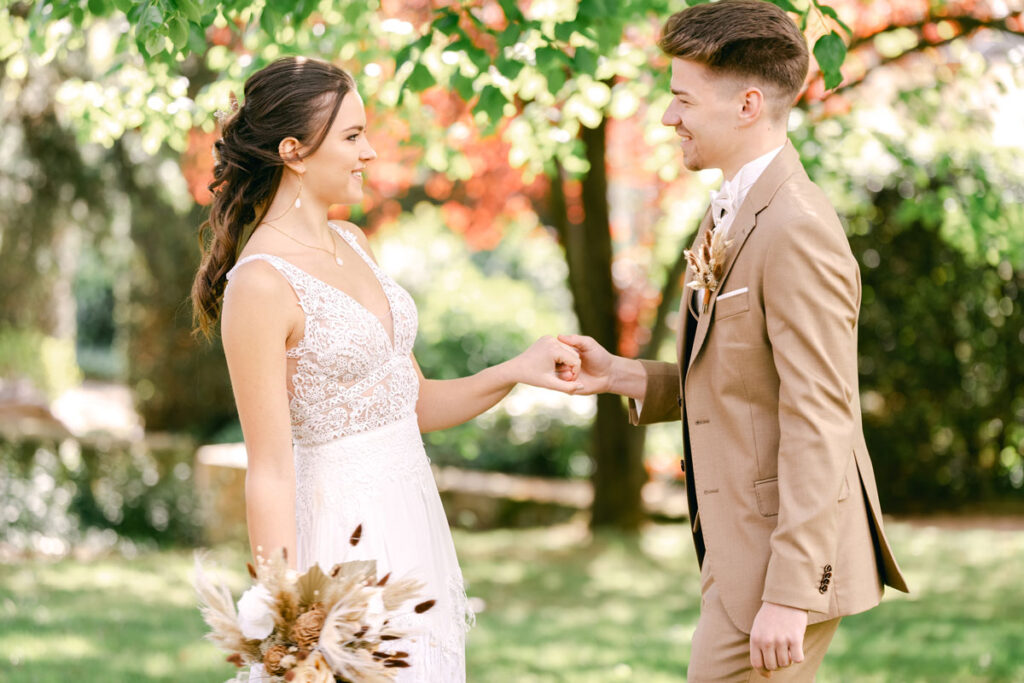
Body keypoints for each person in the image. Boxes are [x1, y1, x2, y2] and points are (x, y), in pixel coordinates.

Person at [190, 57, 582, 682]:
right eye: (351, 136)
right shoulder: (259, 285)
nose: (369, 152)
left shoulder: (355, 244)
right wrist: (290, 620)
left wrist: (518, 368)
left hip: (414, 524)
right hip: (339, 544)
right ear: (293, 151)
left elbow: (414, 403)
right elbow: (267, 471)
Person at [559, 2, 908, 680]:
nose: (668, 117)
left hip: (781, 567)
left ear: (748, 104)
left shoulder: (795, 228)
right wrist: (623, 376)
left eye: (681, 99)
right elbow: (742, 381)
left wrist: (789, 594)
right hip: (738, 552)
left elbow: (821, 417)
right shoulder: (733, 208)